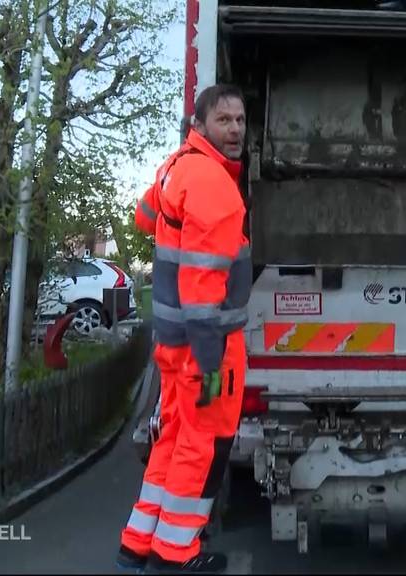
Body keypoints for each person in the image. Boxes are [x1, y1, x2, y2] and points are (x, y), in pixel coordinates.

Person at [117, 84, 251, 575]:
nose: (235, 129)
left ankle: (137, 544)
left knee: (172, 441)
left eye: (239, 120)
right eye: (224, 120)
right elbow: (203, 292)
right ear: (200, 125)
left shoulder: (176, 167)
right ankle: (177, 555)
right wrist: (213, 365)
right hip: (205, 350)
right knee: (203, 447)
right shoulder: (216, 186)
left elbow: (143, 216)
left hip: (173, 345)